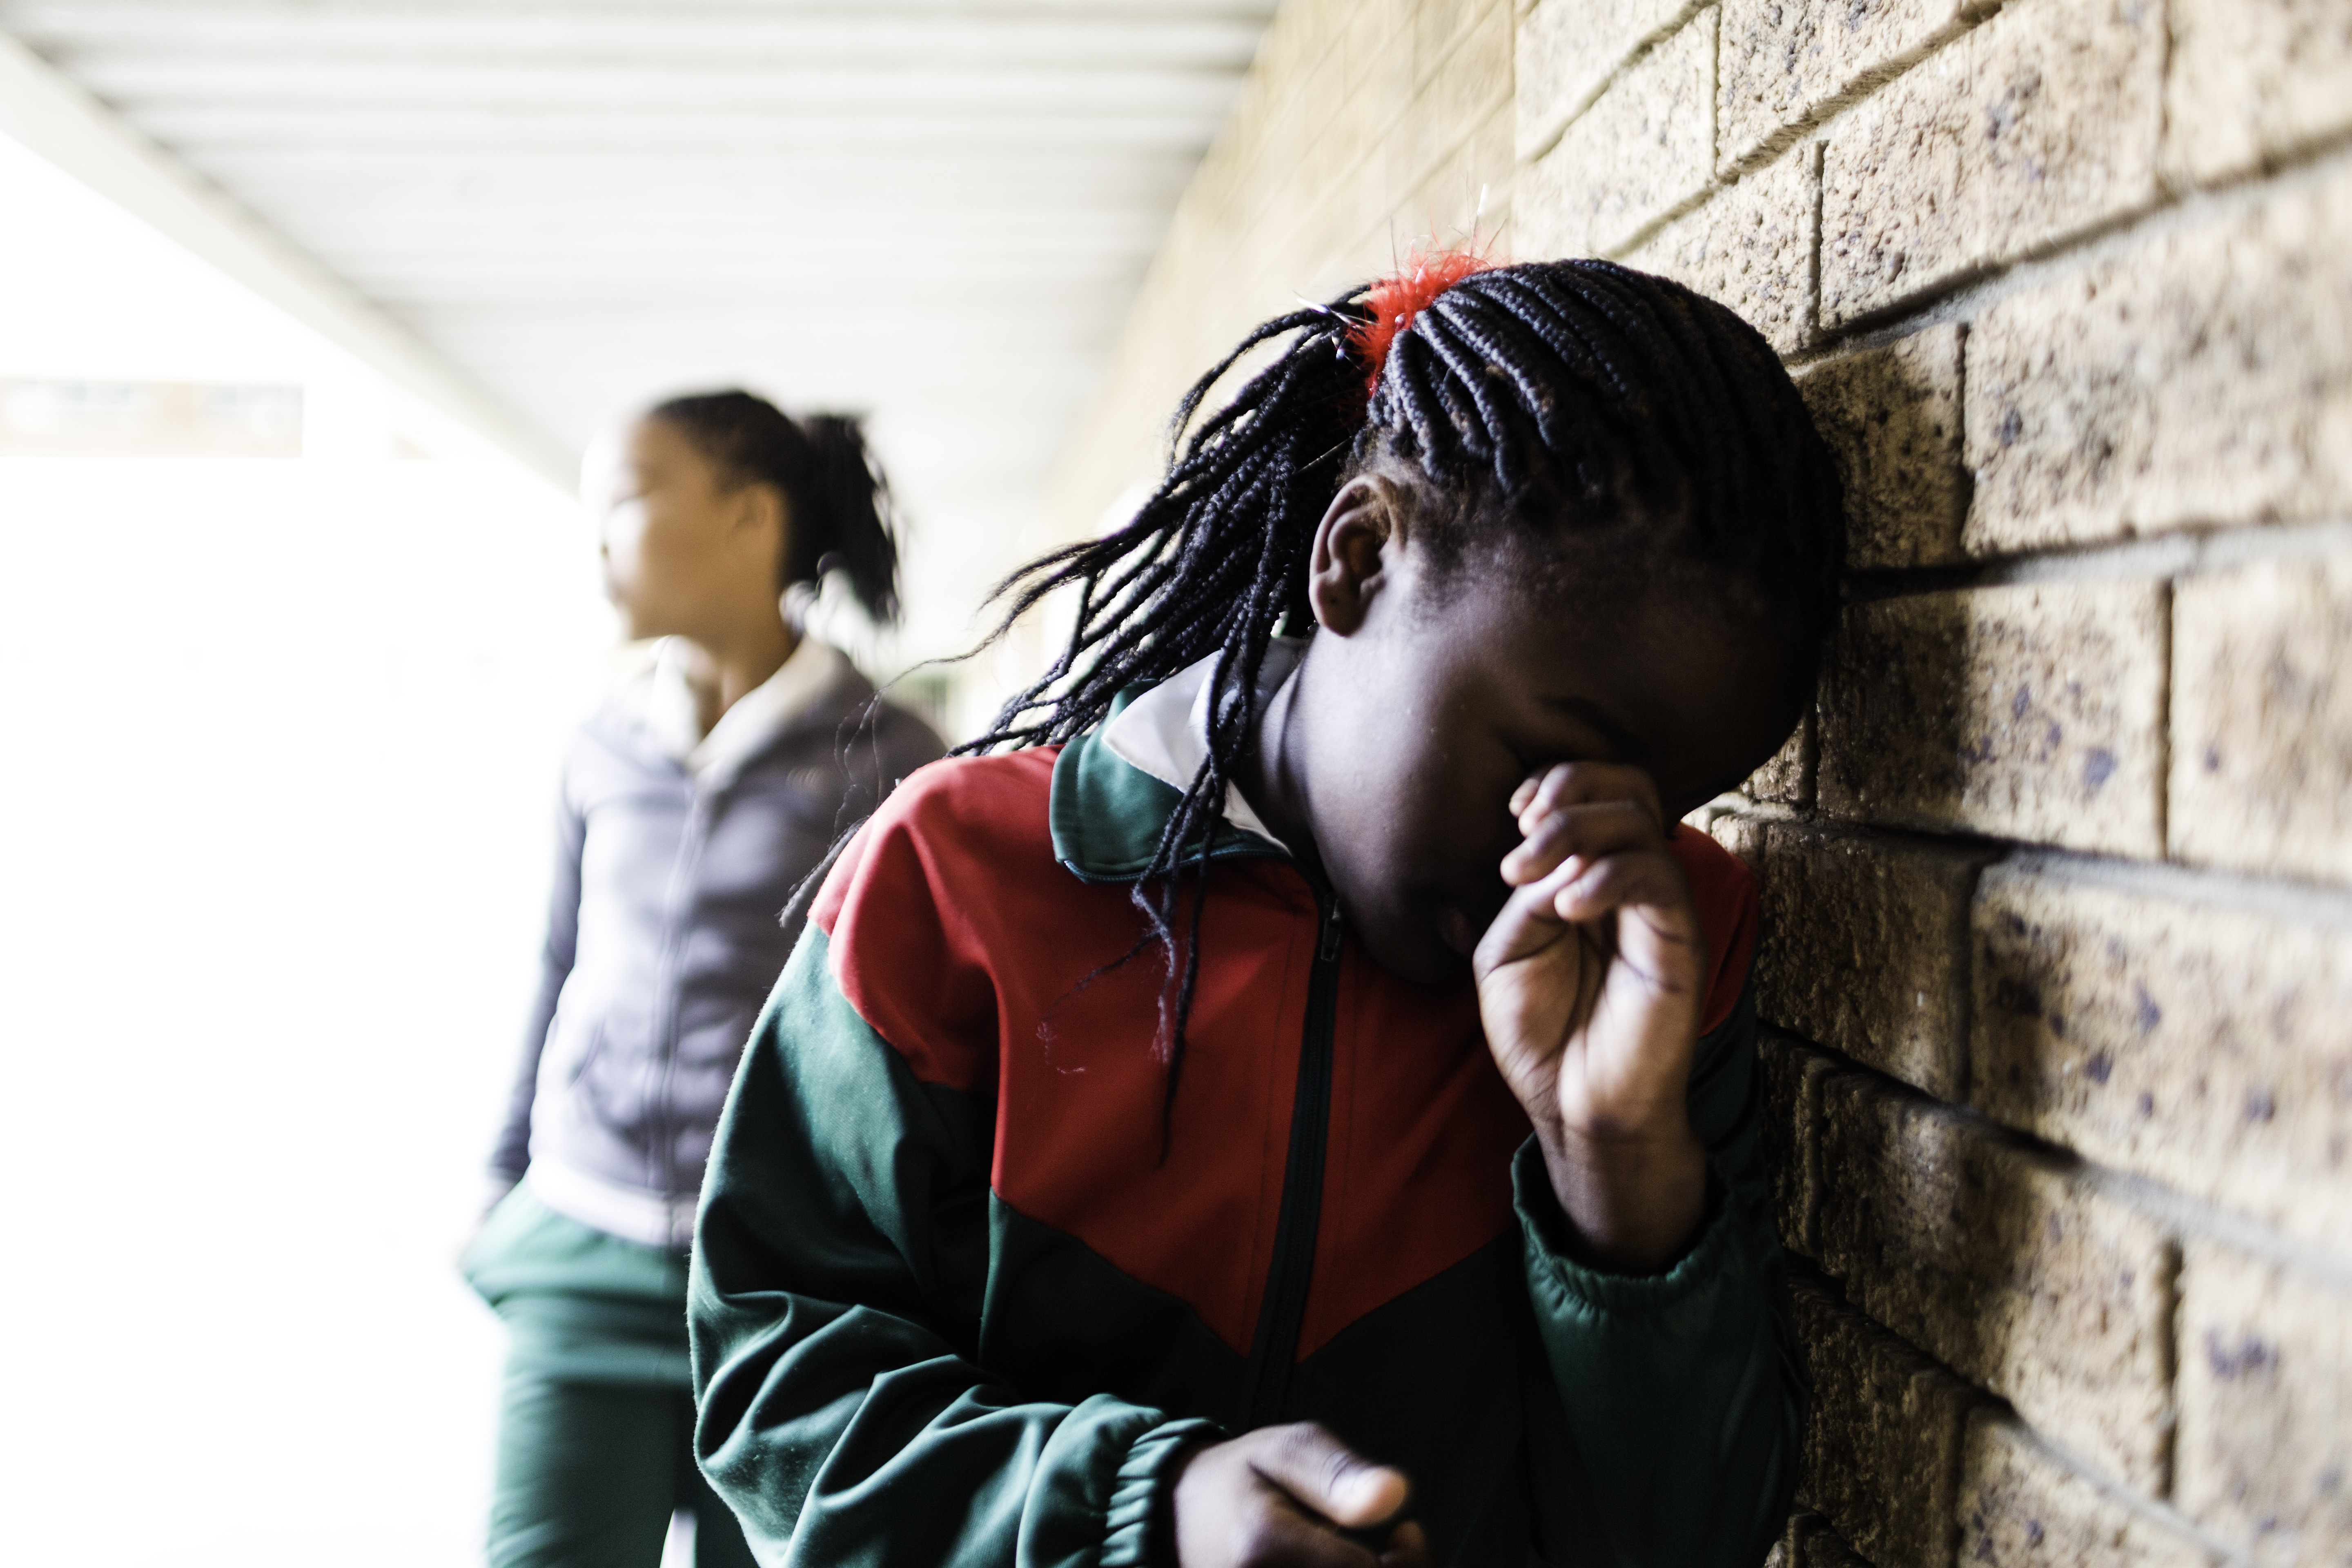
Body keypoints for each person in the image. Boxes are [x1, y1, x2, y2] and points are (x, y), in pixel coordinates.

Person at [689, 256, 1844, 1566]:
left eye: (1671, 806)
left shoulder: (1664, 964)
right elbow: (775, 1393)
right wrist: (1144, 1513)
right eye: (1552, 760)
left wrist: (1616, 1163)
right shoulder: (962, 880)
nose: (1584, 862)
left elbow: (1689, 1542)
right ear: (1355, 560)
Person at [466, 391, 945, 1568]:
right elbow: (558, 963)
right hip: (584, 1255)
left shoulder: (891, 757)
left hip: (789, 1297)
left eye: (625, 501)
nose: (597, 543)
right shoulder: (604, 742)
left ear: (747, 517)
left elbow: (936, 1033)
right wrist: (500, 1185)